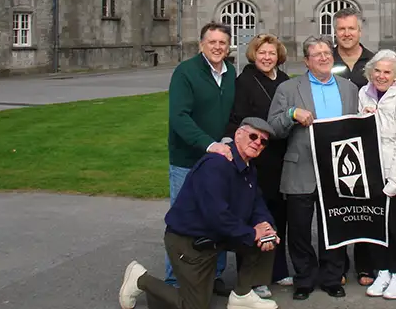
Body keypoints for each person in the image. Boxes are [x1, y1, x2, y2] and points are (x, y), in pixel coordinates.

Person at [119, 118, 281, 309]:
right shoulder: (215, 165)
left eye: (263, 141)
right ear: (238, 135)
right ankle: (140, 279)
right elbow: (216, 216)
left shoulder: (248, 168)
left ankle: (242, 295)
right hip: (189, 242)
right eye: (253, 136)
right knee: (194, 306)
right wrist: (254, 233)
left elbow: (257, 204)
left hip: (215, 236)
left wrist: (265, 225)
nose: (257, 143)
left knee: (267, 236)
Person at [268, 35, 359, 301]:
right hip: (301, 167)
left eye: (326, 53)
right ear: (307, 61)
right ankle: (305, 278)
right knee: (299, 228)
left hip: (338, 169)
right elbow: (273, 127)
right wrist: (291, 114)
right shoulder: (288, 88)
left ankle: (332, 277)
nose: (323, 57)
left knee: (334, 226)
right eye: (316, 54)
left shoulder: (348, 88)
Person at [165, 22, 236, 292]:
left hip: (219, 161)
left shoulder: (231, 73)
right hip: (187, 160)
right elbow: (179, 118)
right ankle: (175, 280)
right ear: (201, 45)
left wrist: (227, 141)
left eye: (222, 43)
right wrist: (209, 144)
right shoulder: (186, 72)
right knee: (184, 221)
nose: (217, 47)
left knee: (217, 217)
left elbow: (232, 114)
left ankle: (213, 275)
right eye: (212, 42)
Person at [225, 34, 291, 298]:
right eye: (262, 53)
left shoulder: (285, 81)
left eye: (271, 53)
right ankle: (252, 277)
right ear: (254, 54)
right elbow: (240, 120)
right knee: (253, 216)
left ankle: (278, 267)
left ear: (278, 56)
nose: (266, 57)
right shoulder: (245, 81)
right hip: (256, 156)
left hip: (281, 157)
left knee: (279, 214)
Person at [358, 50, 396, 300]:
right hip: (373, 171)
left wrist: (394, 181)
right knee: (375, 224)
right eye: (378, 71)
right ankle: (382, 270)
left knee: (394, 225)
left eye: (387, 72)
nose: (381, 76)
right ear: (370, 72)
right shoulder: (364, 94)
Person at [329, 6, 376, 286]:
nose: (346, 34)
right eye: (341, 29)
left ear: (360, 30)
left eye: (351, 29)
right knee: (337, 206)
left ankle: (366, 265)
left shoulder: (373, 61)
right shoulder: (326, 59)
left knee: (364, 206)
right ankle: (339, 265)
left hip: (367, 143)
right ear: (335, 32)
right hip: (332, 143)